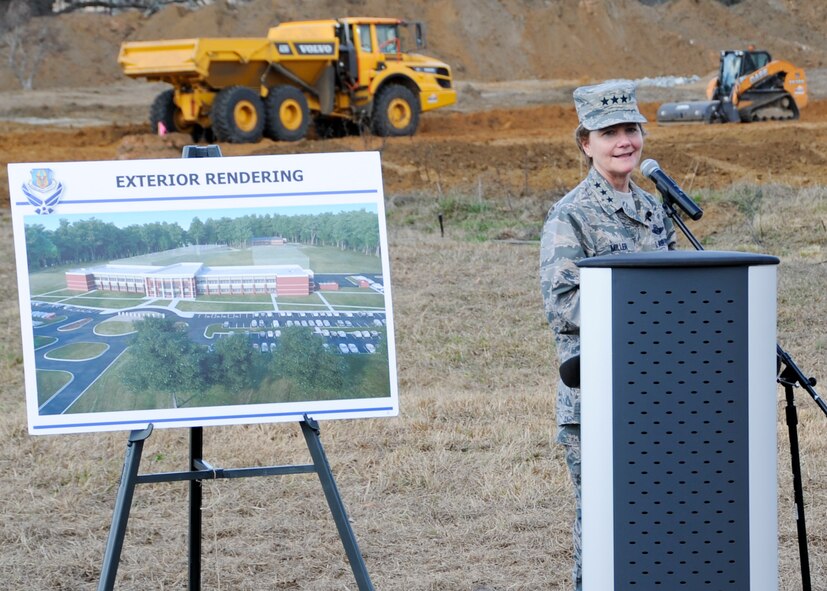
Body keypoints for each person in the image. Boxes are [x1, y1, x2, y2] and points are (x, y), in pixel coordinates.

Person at [538, 80, 677, 590]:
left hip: (656, 394)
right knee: (603, 527)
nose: (625, 141)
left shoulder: (654, 209)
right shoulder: (570, 215)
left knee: (658, 521)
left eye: (632, 129)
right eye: (610, 132)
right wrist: (639, 310)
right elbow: (563, 305)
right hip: (596, 397)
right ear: (586, 143)